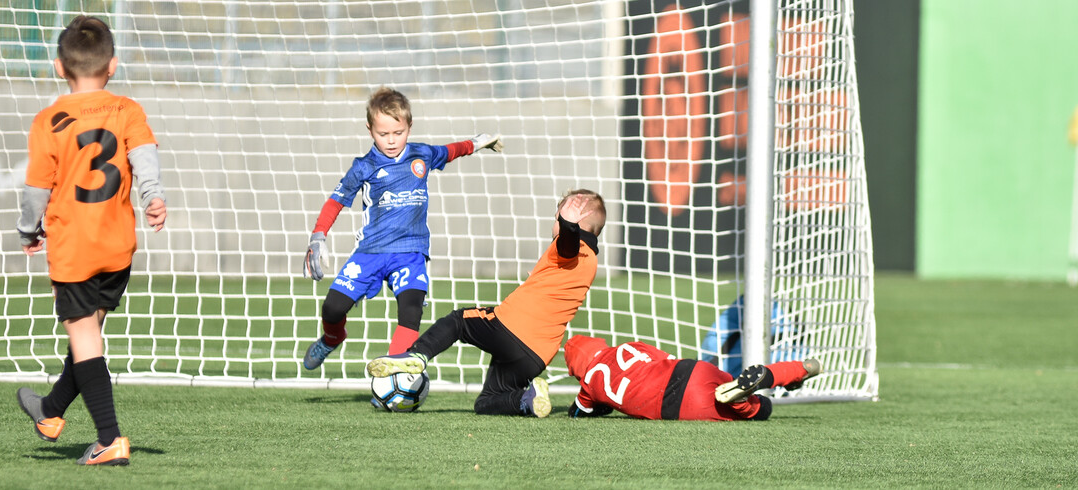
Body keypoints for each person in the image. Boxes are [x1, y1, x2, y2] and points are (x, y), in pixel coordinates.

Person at [14, 15, 167, 466]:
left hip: (75, 249)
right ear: (113, 65)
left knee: (84, 340)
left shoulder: (49, 120)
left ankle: (110, 439)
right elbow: (145, 156)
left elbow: (36, 191)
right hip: (118, 247)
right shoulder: (126, 109)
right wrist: (154, 197)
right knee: (88, 340)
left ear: (59, 68)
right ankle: (51, 411)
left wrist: (28, 229)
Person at [301, 87, 502, 369]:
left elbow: (451, 151)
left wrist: (477, 142)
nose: (392, 140)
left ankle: (391, 375)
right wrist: (318, 237)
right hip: (370, 252)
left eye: (399, 132)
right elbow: (336, 201)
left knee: (411, 310)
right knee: (332, 308)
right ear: (370, 130)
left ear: (409, 126)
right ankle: (333, 338)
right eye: (383, 134)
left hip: (411, 252)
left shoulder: (422, 154)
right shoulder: (363, 167)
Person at [367, 189, 606, 417]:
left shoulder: (569, 245)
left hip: (509, 327)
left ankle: (417, 355)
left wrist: (569, 225)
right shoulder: (591, 261)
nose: (555, 224)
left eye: (557, 218)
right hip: (536, 356)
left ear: (576, 225)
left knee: (458, 322)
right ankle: (527, 400)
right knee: (487, 402)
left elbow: (569, 244)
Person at [562, 334, 821, 422]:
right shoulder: (629, 347)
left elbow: (579, 413)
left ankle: (741, 398)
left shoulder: (590, 383)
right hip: (689, 370)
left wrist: (600, 405)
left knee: (760, 410)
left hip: (677, 403)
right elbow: (664, 356)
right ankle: (797, 371)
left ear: (578, 370)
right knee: (737, 391)